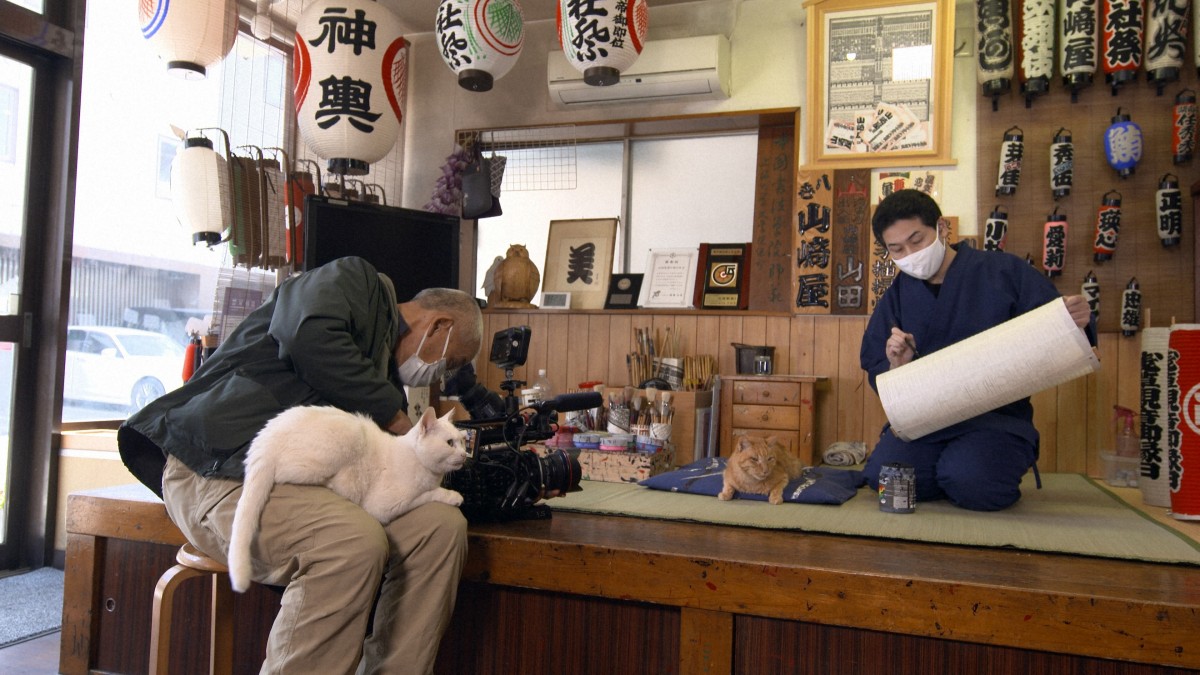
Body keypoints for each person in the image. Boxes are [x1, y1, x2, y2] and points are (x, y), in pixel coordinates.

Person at [118, 256, 484, 674]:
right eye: (451, 362)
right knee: (350, 541)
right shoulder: (356, 282)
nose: (440, 374)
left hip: (317, 491)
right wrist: (395, 419)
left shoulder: (384, 384)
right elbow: (304, 333)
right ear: (438, 326)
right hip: (221, 467)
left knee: (440, 528)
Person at [859, 190, 1092, 511]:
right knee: (884, 478)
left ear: (941, 228)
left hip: (995, 419)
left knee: (973, 483)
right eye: (897, 249)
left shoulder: (1004, 272)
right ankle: (948, 469)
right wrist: (897, 365)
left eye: (917, 240)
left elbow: (1054, 325)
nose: (910, 253)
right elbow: (876, 367)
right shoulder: (897, 296)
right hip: (926, 422)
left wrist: (1076, 317)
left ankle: (966, 469)